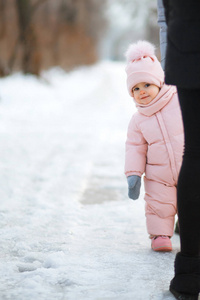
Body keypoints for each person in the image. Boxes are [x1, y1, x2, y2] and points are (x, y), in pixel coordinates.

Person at [124, 40, 184, 252]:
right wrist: (133, 175)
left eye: (147, 85)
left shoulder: (178, 100)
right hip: (159, 176)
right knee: (159, 205)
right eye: (136, 88)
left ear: (159, 81)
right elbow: (134, 148)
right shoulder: (138, 120)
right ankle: (160, 235)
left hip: (188, 166)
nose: (142, 92)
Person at [162, 1, 200, 299]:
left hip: (187, 46)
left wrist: (170, 55)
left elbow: (165, 10)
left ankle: (189, 275)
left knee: (195, 154)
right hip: (186, 45)